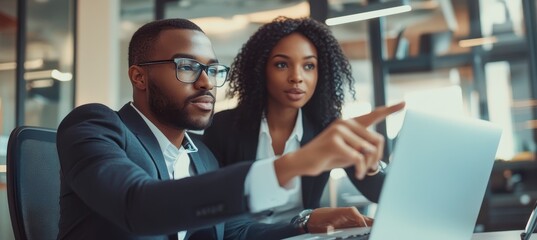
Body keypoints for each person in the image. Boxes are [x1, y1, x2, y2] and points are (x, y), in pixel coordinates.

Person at [56, 18, 404, 240]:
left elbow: (234, 231)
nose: (207, 82)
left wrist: (304, 224)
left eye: (213, 70)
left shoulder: (201, 155)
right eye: (188, 67)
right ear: (139, 76)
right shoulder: (96, 125)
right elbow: (137, 205)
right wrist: (293, 164)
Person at [203, 16, 394, 230]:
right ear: (260, 70)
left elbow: (386, 196)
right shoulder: (222, 128)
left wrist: (371, 167)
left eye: (309, 66)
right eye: (282, 64)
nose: (297, 77)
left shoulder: (326, 128)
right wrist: (301, 223)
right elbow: (213, 214)